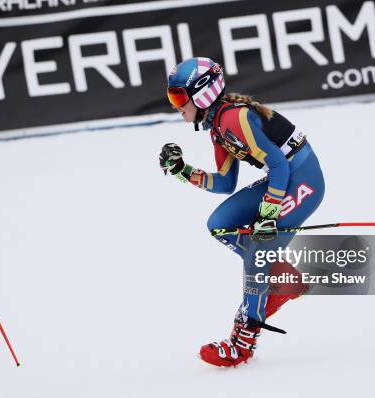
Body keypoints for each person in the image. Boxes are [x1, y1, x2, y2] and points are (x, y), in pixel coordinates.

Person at [159, 57, 325, 367]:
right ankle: (280, 278)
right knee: (220, 222)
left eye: (179, 97)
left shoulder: (234, 119)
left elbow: (277, 164)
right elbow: (225, 183)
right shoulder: (218, 127)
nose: (175, 105)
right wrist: (183, 171)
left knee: (257, 252)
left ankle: (242, 341)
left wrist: (268, 213)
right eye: (172, 98)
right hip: (284, 178)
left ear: (203, 94)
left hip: (304, 180)